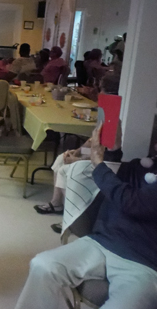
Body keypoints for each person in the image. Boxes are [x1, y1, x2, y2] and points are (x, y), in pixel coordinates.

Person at [15, 123, 157, 309]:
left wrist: (98, 163)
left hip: (148, 266)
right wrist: (113, 149)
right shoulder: (147, 165)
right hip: (103, 242)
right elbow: (115, 177)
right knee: (43, 265)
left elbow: (132, 202)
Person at [33, 72, 123, 226]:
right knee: (62, 157)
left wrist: (78, 159)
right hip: (99, 154)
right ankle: (56, 203)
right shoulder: (106, 110)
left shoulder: (114, 115)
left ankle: (72, 217)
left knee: (67, 168)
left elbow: (106, 154)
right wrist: (78, 151)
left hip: (107, 162)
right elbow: (94, 140)